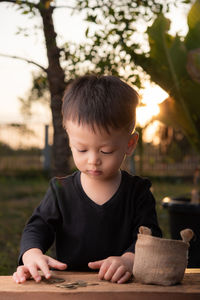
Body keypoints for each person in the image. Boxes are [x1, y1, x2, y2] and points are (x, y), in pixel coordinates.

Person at [13, 75, 162, 285]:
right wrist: (32, 254)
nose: (93, 161)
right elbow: (37, 227)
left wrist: (129, 260)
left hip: (123, 287)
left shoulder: (138, 192)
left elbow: (150, 236)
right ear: (70, 140)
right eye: (81, 149)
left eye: (106, 150)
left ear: (130, 143)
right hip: (70, 288)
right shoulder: (61, 190)